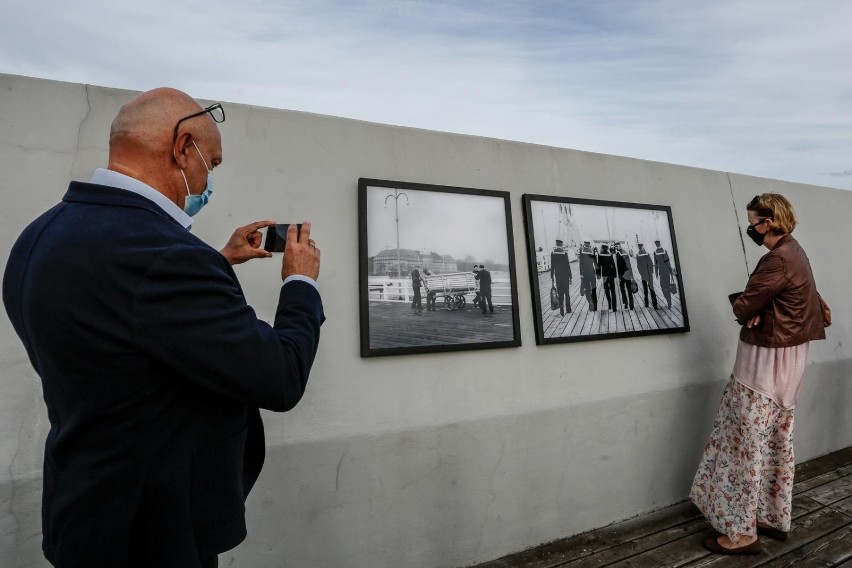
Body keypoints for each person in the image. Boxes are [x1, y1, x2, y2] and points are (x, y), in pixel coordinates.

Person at [2, 88, 324, 568]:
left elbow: (123, 320)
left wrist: (215, 262)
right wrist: (301, 282)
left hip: (85, 511)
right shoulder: (167, 257)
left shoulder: (41, 235)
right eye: (209, 164)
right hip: (155, 530)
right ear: (181, 148)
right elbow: (279, 376)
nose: (207, 178)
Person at [690, 193, 828, 555]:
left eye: (752, 222)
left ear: (768, 222)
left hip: (764, 360)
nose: (750, 228)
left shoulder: (775, 260)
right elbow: (796, 301)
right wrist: (761, 307)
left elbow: (744, 304)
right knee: (776, 441)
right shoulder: (796, 251)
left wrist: (752, 308)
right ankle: (771, 516)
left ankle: (741, 534)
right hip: (790, 358)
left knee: (745, 443)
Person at [550, 239, 573, 316]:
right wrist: (570, 277)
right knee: (567, 293)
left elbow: (552, 266)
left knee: (560, 293)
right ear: (561, 245)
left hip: (558, 276)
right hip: (565, 276)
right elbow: (567, 266)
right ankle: (568, 309)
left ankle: (561, 309)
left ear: (556, 245)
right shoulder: (564, 253)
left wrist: (551, 277)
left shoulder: (553, 253)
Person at [635, 243, 658, 309]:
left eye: (640, 246)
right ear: (642, 247)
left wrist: (641, 273)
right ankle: (654, 304)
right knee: (651, 288)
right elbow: (650, 263)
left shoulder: (638, 255)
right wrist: (650, 272)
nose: (640, 247)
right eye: (640, 247)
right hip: (648, 274)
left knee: (645, 289)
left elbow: (638, 265)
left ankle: (647, 304)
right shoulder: (646, 254)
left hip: (644, 274)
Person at [578, 240, 598, 311]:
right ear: (589, 244)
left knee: (587, 288)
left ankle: (590, 301)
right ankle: (595, 305)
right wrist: (598, 272)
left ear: (584, 244)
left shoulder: (582, 252)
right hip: (592, 272)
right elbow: (595, 263)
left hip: (585, 273)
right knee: (594, 288)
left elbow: (580, 264)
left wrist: (581, 273)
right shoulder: (592, 252)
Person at [653, 240, 674, 308]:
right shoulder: (665, 251)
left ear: (656, 245)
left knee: (663, 287)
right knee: (667, 286)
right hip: (667, 271)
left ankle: (668, 299)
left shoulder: (655, 252)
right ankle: (669, 301)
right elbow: (668, 262)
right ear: (660, 244)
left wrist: (656, 273)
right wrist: (671, 271)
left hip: (661, 271)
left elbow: (656, 264)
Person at [596, 243, 617, 311]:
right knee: (613, 291)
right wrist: (615, 275)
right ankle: (614, 307)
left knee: (607, 289)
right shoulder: (610, 254)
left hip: (605, 275)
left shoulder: (600, 255)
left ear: (602, 248)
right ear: (607, 248)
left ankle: (609, 303)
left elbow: (599, 265)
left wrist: (598, 274)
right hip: (611, 274)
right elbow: (613, 265)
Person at [615, 243, 635, 310]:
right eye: (616, 247)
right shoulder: (625, 253)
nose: (616, 248)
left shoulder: (618, 254)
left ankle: (625, 302)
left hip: (622, 275)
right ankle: (631, 305)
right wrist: (632, 276)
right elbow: (629, 265)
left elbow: (618, 267)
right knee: (629, 290)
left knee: (622, 288)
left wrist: (619, 277)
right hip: (627, 274)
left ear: (619, 246)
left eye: (617, 246)